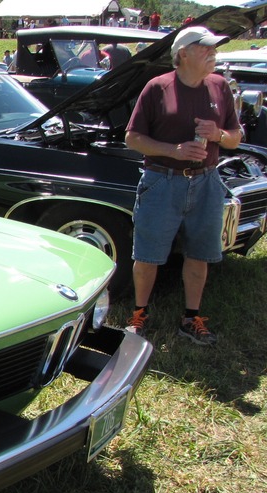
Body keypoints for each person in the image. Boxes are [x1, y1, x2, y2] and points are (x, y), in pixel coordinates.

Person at [123, 26, 241, 345]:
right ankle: (139, 315)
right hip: (162, 180)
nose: (213, 53)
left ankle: (191, 319)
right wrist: (171, 150)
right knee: (147, 255)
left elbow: (235, 138)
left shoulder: (219, 86)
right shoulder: (157, 87)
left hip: (206, 181)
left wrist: (218, 135)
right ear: (183, 54)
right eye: (206, 49)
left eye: (214, 48)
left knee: (199, 253)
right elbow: (132, 138)